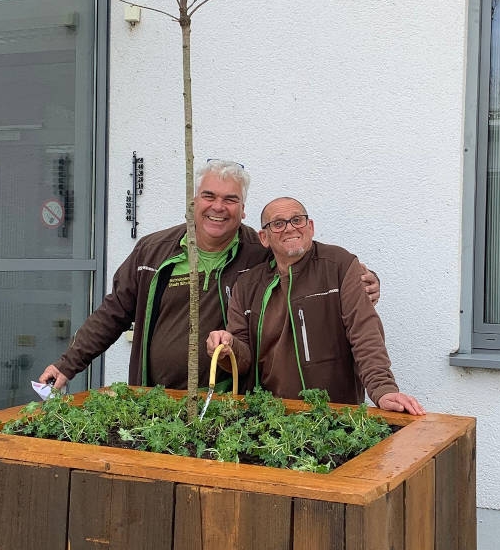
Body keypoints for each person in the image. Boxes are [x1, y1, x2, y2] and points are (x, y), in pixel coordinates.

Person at [38, 161, 380, 391]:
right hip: (158, 401)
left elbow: (307, 255)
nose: (219, 206)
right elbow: (112, 313)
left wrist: (363, 279)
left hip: (229, 404)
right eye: (209, 196)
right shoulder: (152, 251)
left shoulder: (259, 251)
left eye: (230, 199)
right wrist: (69, 364)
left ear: (243, 210)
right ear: (193, 202)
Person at [206, 197, 424, 415]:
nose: (290, 228)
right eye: (278, 223)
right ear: (264, 237)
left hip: (334, 416)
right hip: (268, 418)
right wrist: (228, 347)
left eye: (297, 220)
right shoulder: (247, 285)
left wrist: (383, 389)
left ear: (310, 227)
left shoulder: (339, 264)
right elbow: (243, 358)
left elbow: (364, 331)